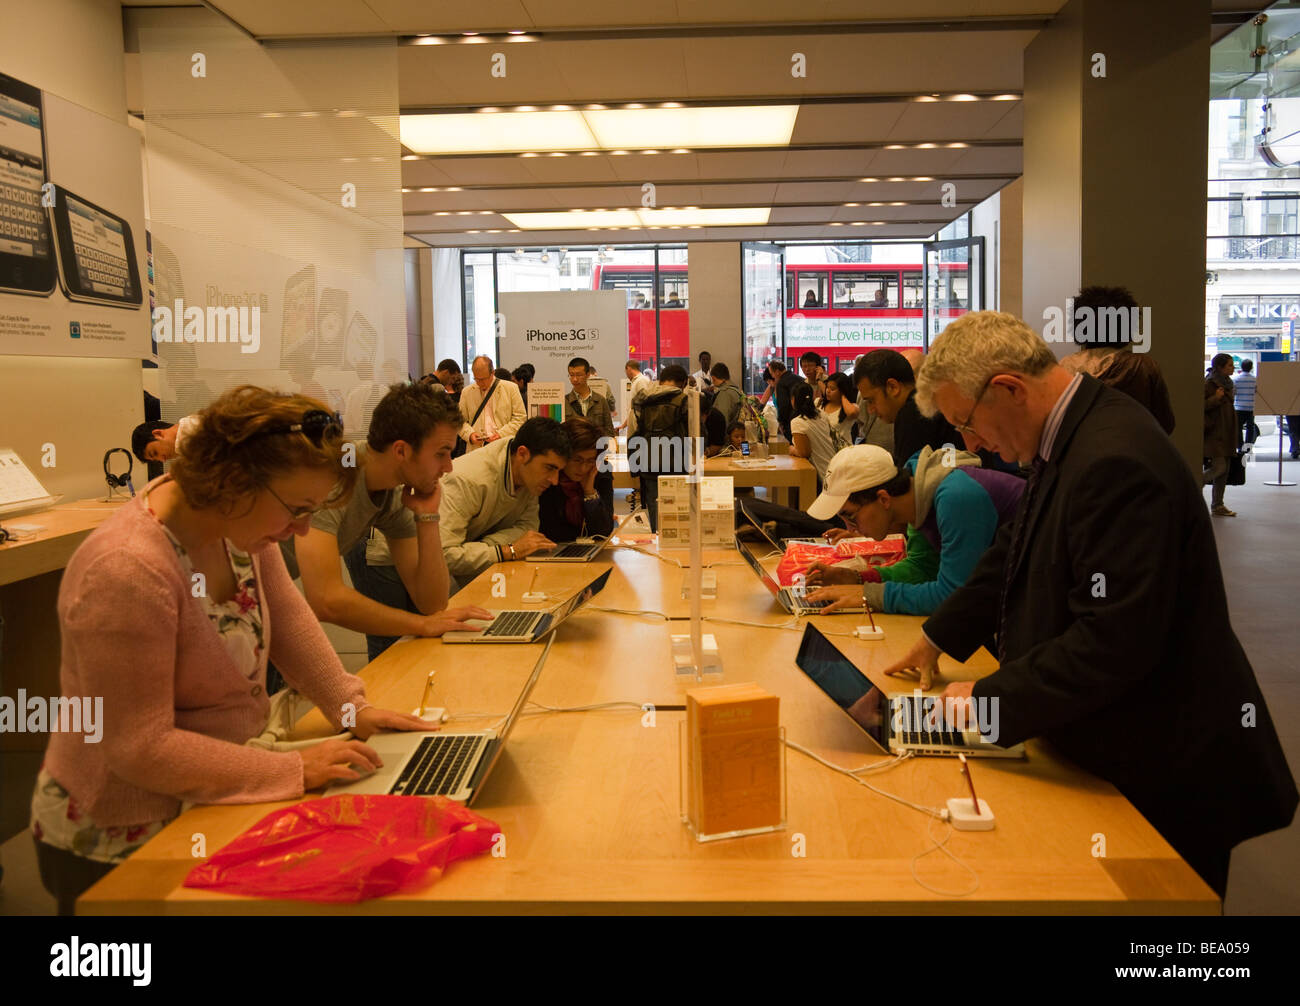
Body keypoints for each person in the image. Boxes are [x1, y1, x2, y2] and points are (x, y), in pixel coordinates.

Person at [883, 310, 1296, 898]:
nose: (969, 443)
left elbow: (1115, 640)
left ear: (1008, 388)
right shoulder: (1071, 430)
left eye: (966, 423)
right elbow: (1012, 550)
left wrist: (987, 701)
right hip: (1117, 741)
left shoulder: (1113, 458)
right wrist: (939, 635)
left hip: (1167, 767)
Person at [32, 386, 440, 915]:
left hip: (205, 799)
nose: (300, 530)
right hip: (117, 835)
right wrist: (293, 770)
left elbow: (289, 619)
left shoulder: (237, 527)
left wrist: (350, 708)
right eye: (296, 509)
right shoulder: (127, 569)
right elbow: (140, 745)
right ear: (233, 481)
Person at [280, 383, 491, 663]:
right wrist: (420, 625)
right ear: (401, 451)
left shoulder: (392, 491)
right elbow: (325, 600)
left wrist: (427, 517)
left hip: (256, 590)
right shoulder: (334, 475)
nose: (448, 466)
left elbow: (431, 603)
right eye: (441, 453)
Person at [803, 443, 1024, 615]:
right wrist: (858, 578)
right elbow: (923, 569)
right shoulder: (917, 499)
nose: (851, 529)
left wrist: (867, 595)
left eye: (851, 517)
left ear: (883, 499)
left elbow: (954, 596)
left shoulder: (956, 498)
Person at [439, 416, 571, 582]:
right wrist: (506, 551)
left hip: (478, 569)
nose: (554, 480)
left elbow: (528, 528)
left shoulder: (525, 471)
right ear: (522, 453)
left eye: (558, 470)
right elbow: (444, 555)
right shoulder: (467, 479)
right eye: (549, 468)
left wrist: (484, 545)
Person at [1059, 285, 1175, 434]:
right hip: (1132, 451)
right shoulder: (1144, 366)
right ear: (1127, 324)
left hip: (1082, 453)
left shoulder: (1066, 366)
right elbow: (1165, 424)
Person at [854, 349, 960, 467]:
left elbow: (910, 481)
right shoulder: (933, 403)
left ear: (892, 387)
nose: (870, 409)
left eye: (871, 400)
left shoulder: (912, 414)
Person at [628, 364, 691, 530]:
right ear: (683, 383)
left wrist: (634, 467)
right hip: (677, 463)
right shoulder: (684, 400)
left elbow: (633, 432)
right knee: (678, 512)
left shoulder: (641, 399)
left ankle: (657, 545)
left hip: (648, 463)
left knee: (655, 510)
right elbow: (694, 434)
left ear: (660, 381)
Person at [538, 417, 615, 543]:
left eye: (590, 460)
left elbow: (604, 531)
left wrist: (589, 492)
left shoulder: (600, 472)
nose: (583, 468)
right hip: (552, 552)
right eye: (577, 460)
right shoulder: (550, 476)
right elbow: (549, 531)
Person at [459, 354, 527, 452]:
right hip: (476, 449)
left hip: (503, 446)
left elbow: (520, 418)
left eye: (483, 379)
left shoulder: (510, 388)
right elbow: (460, 421)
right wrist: (470, 435)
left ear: (492, 373)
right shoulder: (467, 392)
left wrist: (501, 434)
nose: (479, 383)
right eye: (476, 379)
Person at [1203, 352, 1239, 517]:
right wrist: (1215, 398)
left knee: (1224, 472)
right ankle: (1195, 482)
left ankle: (1218, 505)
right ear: (1220, 367)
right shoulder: (1209, 383)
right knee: (1219, 467)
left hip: (1228, 432)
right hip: (1215, 433)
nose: (1233, 368)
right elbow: (1200, 406)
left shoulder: (1229, 384)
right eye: (1230, 365)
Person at [788, 382, 837, 484]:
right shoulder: (822, 414)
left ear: (793, 400)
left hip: (823, 473)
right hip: (834, 465)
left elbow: (804, 452)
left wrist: (791, 449)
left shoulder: (798, 422)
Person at [564, 356, 616, 438]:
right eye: (571, 375)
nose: (574, 379)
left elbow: (609, 431)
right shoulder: (564, 402)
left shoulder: (600, 400)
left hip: (596, 448)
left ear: (588, 375)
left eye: (579, 375)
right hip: (573, 449)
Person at [131, 416, 198, 464]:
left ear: (158, 433)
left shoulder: (193, 430)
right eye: (157, 460)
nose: (163, 459)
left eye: (155, 452)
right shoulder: (186, 452)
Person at [819, 372, 860, 450]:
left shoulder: (851, 407)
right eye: (827, 387)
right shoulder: (819, 404)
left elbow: (852, 413)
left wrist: (843, 396)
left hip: (843, 453)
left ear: (842, 390)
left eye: (833, 389)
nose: (828, 391)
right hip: (823, 452)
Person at [765, 360, 801, 441]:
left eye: (772, 374)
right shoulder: (798, 378)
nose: (773, 377)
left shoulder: (781, 384)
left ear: (777, 372)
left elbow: (783, 405)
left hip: (790, 422)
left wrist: (781, 423)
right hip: (803, 419)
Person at [619, 358, 654, 436]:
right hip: (636, 424)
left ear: (628, 369)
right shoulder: (636, 382)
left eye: (626, 372)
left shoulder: (641, 381)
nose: (626, 374)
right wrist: (623, 425)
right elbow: (633, 410)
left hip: (640, 426)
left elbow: (645, 405)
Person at [709, 361, 743, 427]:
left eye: (714, 380)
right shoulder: (736, 390)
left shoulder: (725, 393)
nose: (713, 383)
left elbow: (722, 420)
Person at [1234, 358, 1259, 446]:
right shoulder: (1255, 379)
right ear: (1251, 367)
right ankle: (1248, 446)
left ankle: (1240, 445)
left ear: (1241, 367)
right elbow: (1257, 392)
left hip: (1239, 407)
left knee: (1238, 427)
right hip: (1251, 407)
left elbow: (1234, 392)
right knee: (1250, 427)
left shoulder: (1236, 379)